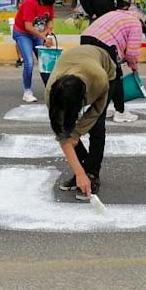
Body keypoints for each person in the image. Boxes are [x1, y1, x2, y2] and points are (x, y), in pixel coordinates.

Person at [47, 43, 117, 202]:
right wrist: (79, 172)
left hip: (105, 67)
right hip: (77, 62)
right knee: (68, 132)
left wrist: (77, 132)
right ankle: (83, 172)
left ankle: (92, 174)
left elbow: (96, 111)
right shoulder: (53, 92)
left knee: (97, 126)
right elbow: (62, 133)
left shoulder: (100, 80)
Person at [80, 9, 144, 123]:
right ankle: (119, 111)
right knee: (114, 77)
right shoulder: (136, 23)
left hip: (85, 38)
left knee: (94, 76)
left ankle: (94, 107)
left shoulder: (116, 14)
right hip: (105, 43)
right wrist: (134, 67)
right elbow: (132, 53)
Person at [13, 0, 56, 102]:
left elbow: (50, 21)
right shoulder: (29, 3)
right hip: (23, 33)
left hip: (39, 33)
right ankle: (27, 91)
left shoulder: (49, 3)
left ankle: (50, 89)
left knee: (45, 61)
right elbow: (28, 26)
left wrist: (49, 34)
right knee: (29, 63)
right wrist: (43, 36)